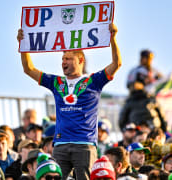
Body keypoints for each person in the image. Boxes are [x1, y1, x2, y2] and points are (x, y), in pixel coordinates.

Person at [17, 22, 121, 180]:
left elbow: (116, 64)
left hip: (84, 144)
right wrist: (22, 46)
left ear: (80, 60)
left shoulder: (94, 80)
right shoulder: (56, 82)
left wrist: (113, 38)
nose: (63, 62)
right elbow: (28, 69)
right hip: (60, 144)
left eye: (68, 58)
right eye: (62, 58)